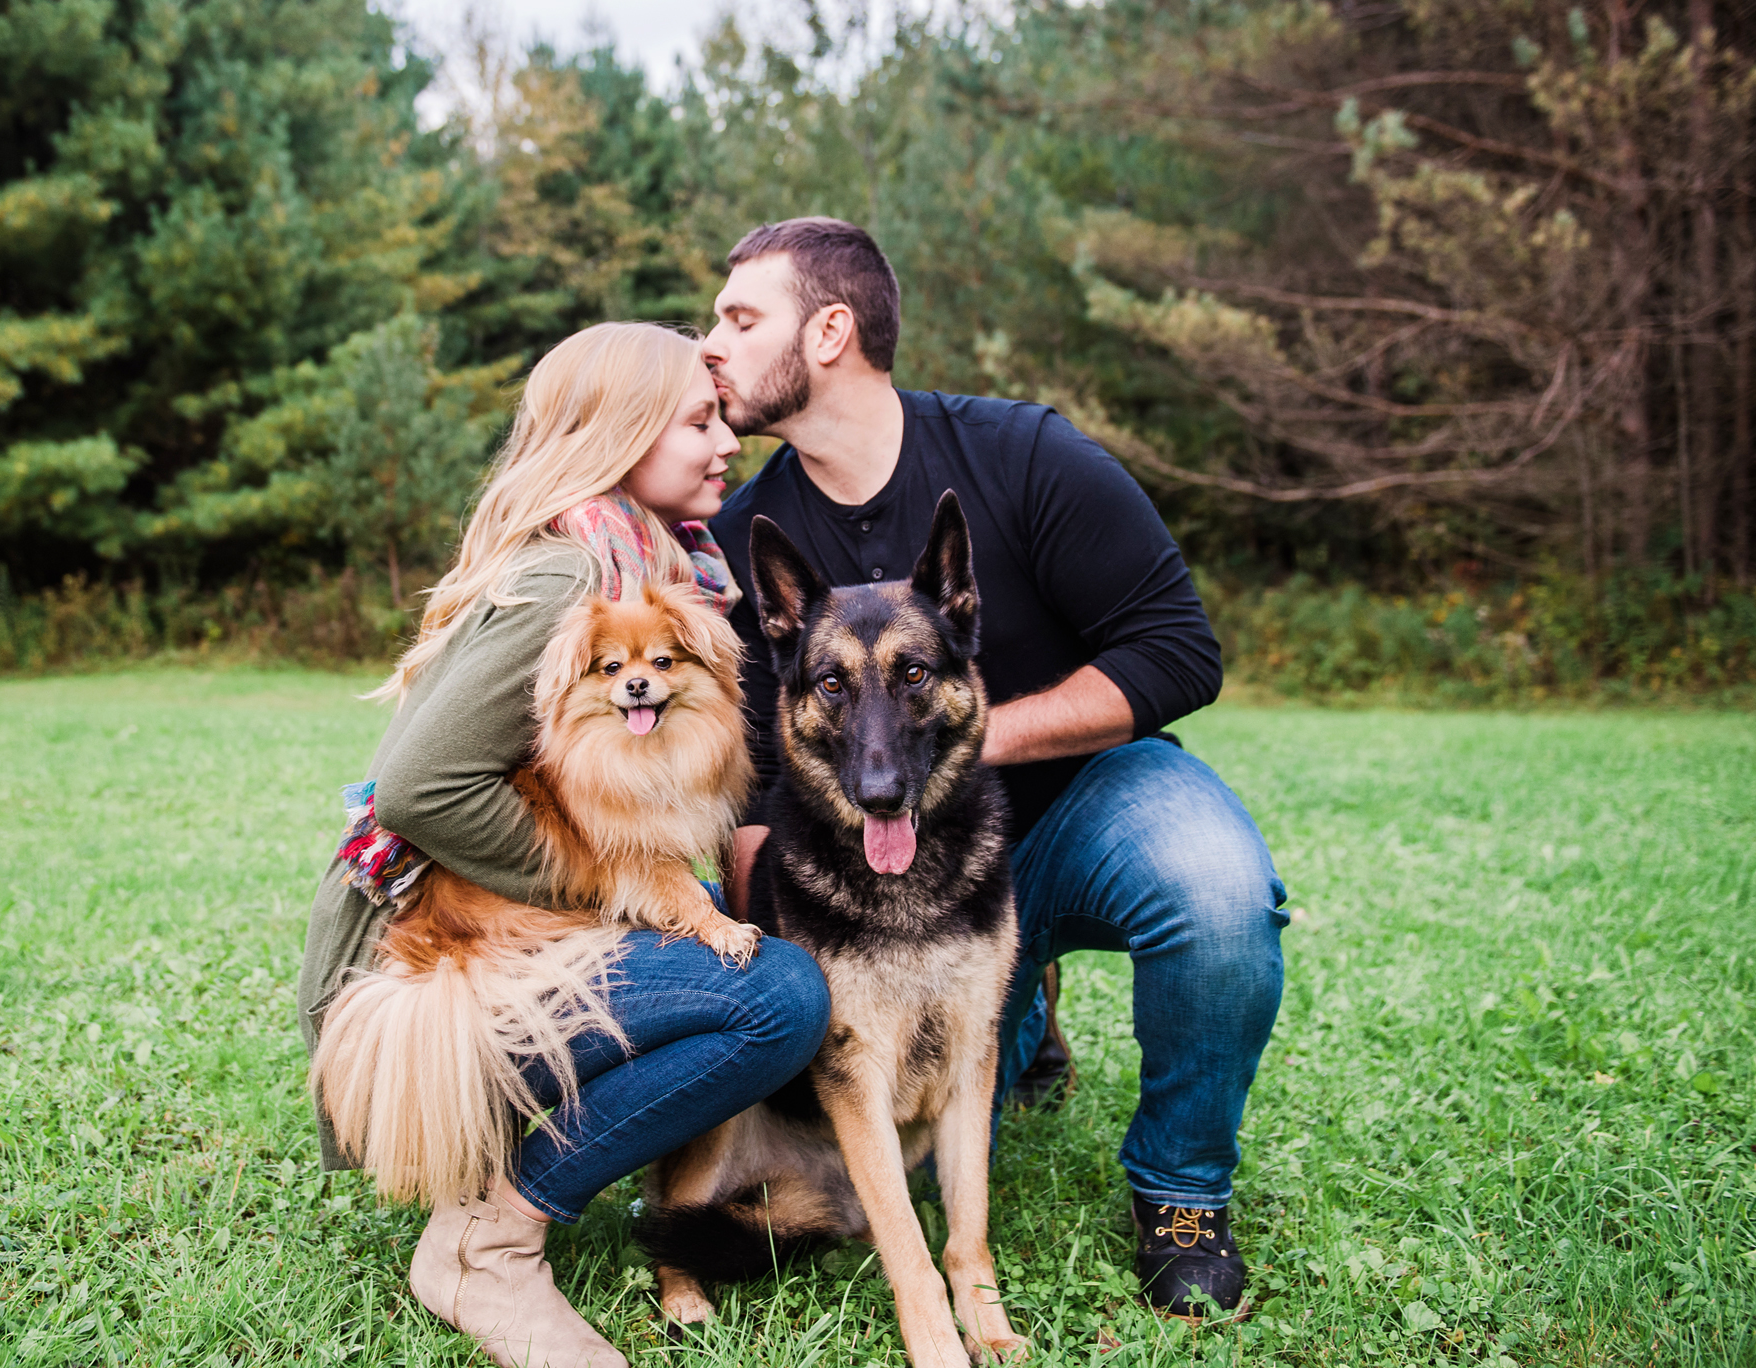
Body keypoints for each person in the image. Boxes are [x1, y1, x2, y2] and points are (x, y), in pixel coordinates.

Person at [706, 218, 1287, 1319]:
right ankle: (1021, 1018)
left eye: (739, 318)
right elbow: (748, 776)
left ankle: (1180, 1195)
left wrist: (966, 747)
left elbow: (1175, 650)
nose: (710, 344)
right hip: (866, 860)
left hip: (1078, 806)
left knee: (1216, 895)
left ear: (830, 331)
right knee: (957, 1048)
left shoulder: (1020, 455)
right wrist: (779, 981)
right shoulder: (748, 533)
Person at [297, 322, 832, 1368]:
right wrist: (624, 882)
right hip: (427, 982)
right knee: (775, 1000)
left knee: (759, 980)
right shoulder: (566, 583)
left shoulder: (639, 563)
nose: (726, 440)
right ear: (621, 435)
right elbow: (417, 788)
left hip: (504, 951)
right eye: (697, 420)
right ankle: (486, 1242)